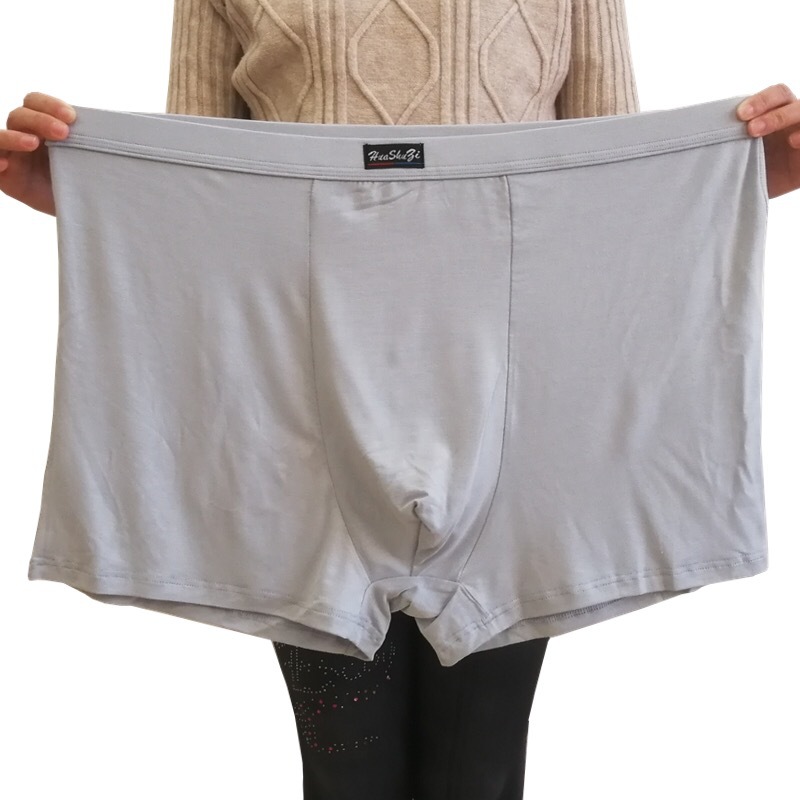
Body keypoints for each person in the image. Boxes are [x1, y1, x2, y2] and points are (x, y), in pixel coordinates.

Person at [1, 3, 799, 799]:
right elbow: (195, 187)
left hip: (517, 384)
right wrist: (91, 189)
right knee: (347, 772)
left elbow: (613, 182)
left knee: (477, 771)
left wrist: (733, 179)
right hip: (300, 388)